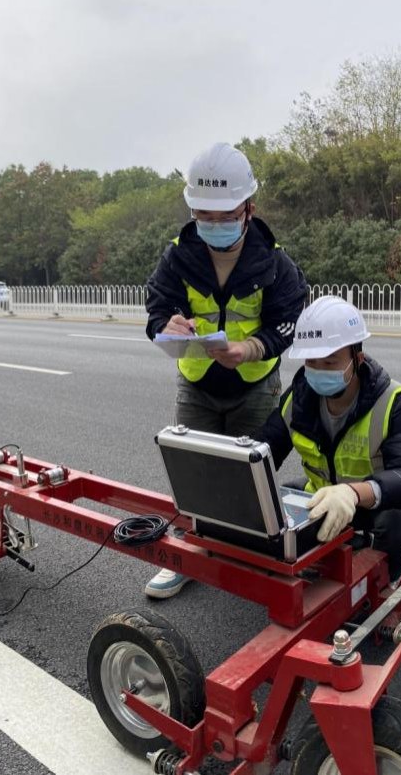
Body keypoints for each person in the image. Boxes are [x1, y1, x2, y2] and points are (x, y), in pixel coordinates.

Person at [144, 142, 307, 597]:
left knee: (252, 474)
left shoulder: (273, 261)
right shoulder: (178, 255)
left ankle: (254, 559)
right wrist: (166, 323)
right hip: (196, 382)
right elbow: (156, 307)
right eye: (204, 216)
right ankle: (190, 556)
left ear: (249, 209)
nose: (214, 225)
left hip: (253, 385)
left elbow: (286, 322)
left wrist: (252, 348)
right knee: (193, 470)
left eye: (225, 215)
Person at [256, 296, 401, 583]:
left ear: (357, 359)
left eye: (330, 361)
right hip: (326, 494)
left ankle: (381, 589)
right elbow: (262, 453)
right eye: (312, 362)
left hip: (376, 503)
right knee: (276, 501)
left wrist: (353, 493)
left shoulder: (395, 401)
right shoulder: (296, 400)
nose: (319, 370)